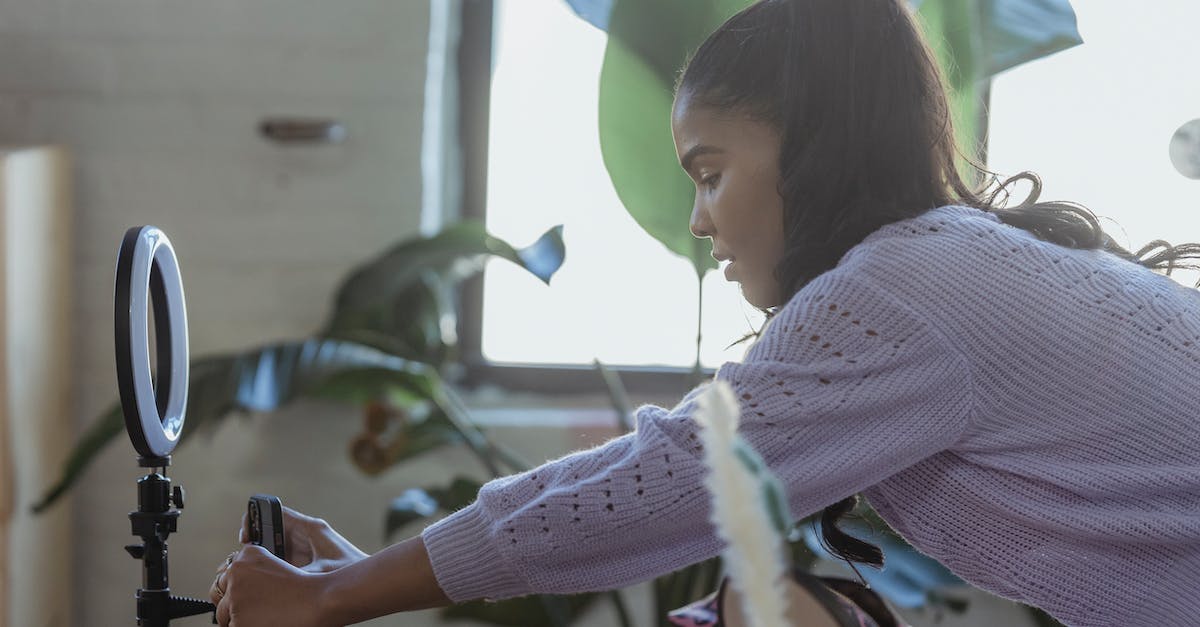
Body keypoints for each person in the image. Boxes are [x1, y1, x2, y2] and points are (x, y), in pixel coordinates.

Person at [208, 0, 1200, 625]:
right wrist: (364, 578)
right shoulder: (957, 265)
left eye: (713, 173)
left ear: (810, 149)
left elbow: (663, 479)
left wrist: (339, 595)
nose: (697, 220)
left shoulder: (903, 289)